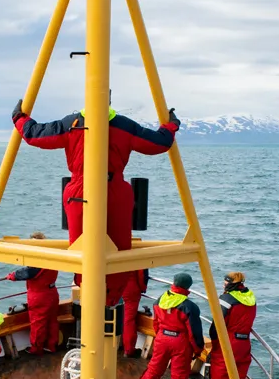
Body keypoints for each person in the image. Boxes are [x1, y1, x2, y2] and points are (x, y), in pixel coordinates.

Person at [12, 99, 179, 304]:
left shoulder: (71, 123)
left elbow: (34, 134)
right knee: (118, 252)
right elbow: (158, 143)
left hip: (80, 192)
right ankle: (110, 299)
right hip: (115, 191)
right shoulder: (124, 125)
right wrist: (171, 126)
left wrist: (19, 118)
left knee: (83, 250)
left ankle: (89, 294)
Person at [129, 273, 203, 379]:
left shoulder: (160, 299)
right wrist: (197, 349)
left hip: (162, 338)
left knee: (154, 368)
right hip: (180, 342)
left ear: (174, 283)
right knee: (180, 378)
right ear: (188, 287)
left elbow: (155, 323)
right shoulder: (190, 307)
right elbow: (194, 332)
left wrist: (162, 335)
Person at [208, 271, 257, 379]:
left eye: (226, 282)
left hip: (229, 343)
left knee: (220, 378)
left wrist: (214, 341)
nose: (224, 284)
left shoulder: (227, 299)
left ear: (231, 284)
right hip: (244, 344)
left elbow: (217, 325)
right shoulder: (250, 297)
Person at [6, 231, 61, 355]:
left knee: (38, 323)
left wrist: (12, 276)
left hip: (39, 296)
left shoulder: (38, 261)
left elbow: (27, 272)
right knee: (52, 321)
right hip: (52, 293)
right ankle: (52, 345)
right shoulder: (53, 256)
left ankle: (36, 348)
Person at [121, 269, 149, 358]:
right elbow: (142, 274)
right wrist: (143, 288)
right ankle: (129, 350)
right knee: (128, 320)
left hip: (112, 287)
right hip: (130, 289)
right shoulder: (135, 254)